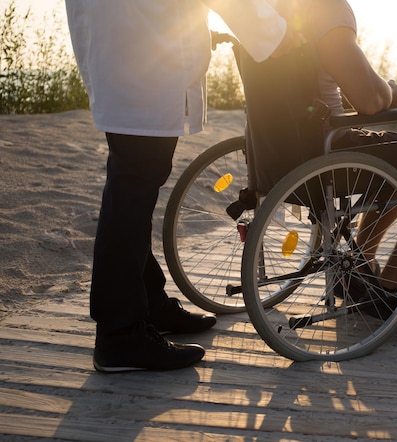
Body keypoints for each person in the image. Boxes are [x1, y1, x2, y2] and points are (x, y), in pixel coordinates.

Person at [65, 0, 293, 373]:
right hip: (141, 56)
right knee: (133, 186)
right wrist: (273, 34)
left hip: (125, 46)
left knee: (135, 184)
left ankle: (147, 303)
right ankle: (120, 335)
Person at [271, 0, 397, 292]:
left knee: (395, 162)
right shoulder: (328, 10)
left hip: (280, 149)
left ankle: (359, 267)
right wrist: (390, 92)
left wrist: (378, 91)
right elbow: (368, 100)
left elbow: (313, 88)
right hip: (326, 149)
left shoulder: (273, 11)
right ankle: (390, 287)